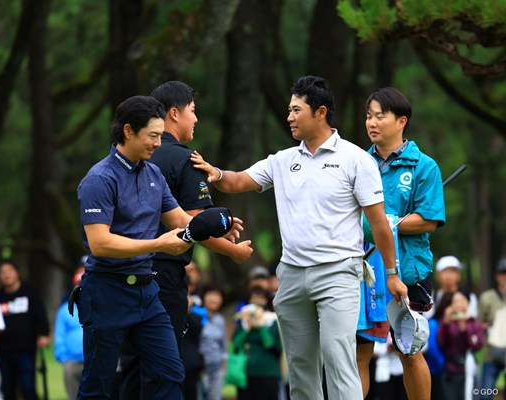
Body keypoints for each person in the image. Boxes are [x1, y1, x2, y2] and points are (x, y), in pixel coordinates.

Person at [191, 75, 407, 400]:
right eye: (289, 110)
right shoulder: (282, 160)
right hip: (291, 275)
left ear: (320, 112)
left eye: (296, 110)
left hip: (338, 273)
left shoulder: (356, 159)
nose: (289, 117)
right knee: (301, 368)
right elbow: (237, 181)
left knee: (339, 361)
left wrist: (391, 274)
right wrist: (217, 174)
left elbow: (378, 224)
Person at [75, 95, 241, 400]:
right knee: (98, 384)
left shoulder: (153, 174)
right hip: (107, 292)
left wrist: (214, 223)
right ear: (128, 131)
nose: (158, 143)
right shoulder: (99, 179)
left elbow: (179, 219)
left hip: (147, 293)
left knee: (170, 373)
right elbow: (100, 243)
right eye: (152, 136)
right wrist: (159, 244)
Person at [119, 81, 253, 399]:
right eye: (193, 112)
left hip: (124, 274)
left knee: (133, 369)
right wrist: (233, 251)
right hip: (163, 275)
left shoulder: (128, 156)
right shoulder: (183, 158)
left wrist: (214, 225)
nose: (196, 119)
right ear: (174, 113)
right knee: (163, 368)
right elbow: (193, 227)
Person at [356, 87, 446, 400]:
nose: (372, 122)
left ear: (401, 121)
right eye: (369, 115)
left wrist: (384, 222)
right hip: (364, 272)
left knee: (410, 350)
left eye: (380, 115)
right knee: (359, 352)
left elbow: (428, 221)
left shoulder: (424, 166)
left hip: (408, 272)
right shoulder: (356, 163)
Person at [0, 260, 50, 400]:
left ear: (17, 272)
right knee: (7, 388)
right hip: (2, 350)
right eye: (2, 272)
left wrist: (44, 334)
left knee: (27, 386)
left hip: (26, 348)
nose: (6, 275)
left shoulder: (29, 292)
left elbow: (41, 314)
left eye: (9, 270)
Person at [232, 286, 283, 400]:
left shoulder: (272, 320)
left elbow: (270, 344)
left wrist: (261, 326)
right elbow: (236, 344)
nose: (257, 301)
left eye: (261, 297)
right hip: (246, 374)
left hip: (268, 373)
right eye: (254, 298)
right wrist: (247, 327)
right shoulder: (243, 321)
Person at [437, 291, 484, 400]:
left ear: (468, 303)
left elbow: (477, 346)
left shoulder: (473, 323)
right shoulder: (447, 322)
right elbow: (441, 342)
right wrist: (446, 323)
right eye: (455, 301)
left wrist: (465, 330)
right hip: (451, 369)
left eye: (461, 301)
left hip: (469, 369)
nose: (458, 304)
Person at [54, 261, 86, 400]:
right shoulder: (64, 310)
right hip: (72, 361)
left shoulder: (101, 305)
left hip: (96, 360)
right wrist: (64, 358)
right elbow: (59, 336)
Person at [477, 258, 506, 400]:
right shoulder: (487, 297)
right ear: (496, 276)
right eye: (502, 273)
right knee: (485, 393)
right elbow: (478, 325)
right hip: (490, 353)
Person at [198, 284, 228, 400]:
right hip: (200, 368)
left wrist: (223, 364)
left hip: (217, 368)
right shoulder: (196, 316)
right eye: (211, 295)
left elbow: (223, 343)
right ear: (203, 297)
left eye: (218, 296)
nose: (214, 299)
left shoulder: (220, 319)